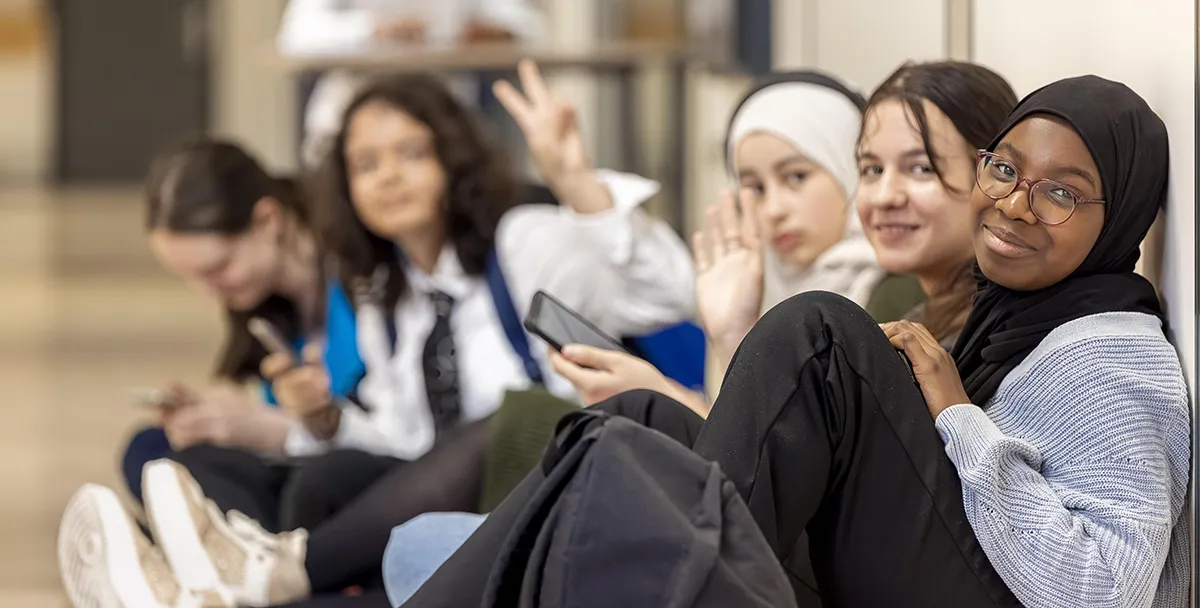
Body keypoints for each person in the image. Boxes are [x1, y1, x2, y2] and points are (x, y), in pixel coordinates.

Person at [397, 75, 1191, 608]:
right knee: (631, 419)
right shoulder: (1008, 316)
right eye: (1005, 170)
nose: (1016, 205)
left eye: (1061, 194)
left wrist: (958, 417)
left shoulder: (1113, 359)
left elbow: (1104, 590)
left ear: (1119, 219)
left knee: (820, 333)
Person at [58, 62, 696, 607]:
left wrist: (576, 183)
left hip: (553, 470)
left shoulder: (522, 238)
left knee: (515, 418)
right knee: (313, 477)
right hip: (439, 478)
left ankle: (271, 573)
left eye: (411, 155)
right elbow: (402, 436)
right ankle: (235, 579)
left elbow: (662, 291)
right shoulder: (385, 289)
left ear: (452, 159)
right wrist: (324, 422)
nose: (388, 176)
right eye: (366, 165)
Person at [551, 62, 1017, 418]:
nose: (885, 195)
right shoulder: (920, 301)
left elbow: (800, 482)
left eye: (919, 168)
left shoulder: (898, 307)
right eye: (872, 169)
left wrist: (666, 397)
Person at [119, 139, 364, 507]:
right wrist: (223, 419)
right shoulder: (268, 306)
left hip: (358, 465)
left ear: (268, 220)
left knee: (316, 485)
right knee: (152, 449)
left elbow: (390, 426)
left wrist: (274, 429)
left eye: (218, 269)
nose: (208, 293)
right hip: (304, 458)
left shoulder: (359, 279)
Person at [277, 0, 545, 169]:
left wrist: (492, 30)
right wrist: (372, 30)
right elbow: (295, 35)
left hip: (445, 118)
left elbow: (528, 23)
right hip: (352, 114)